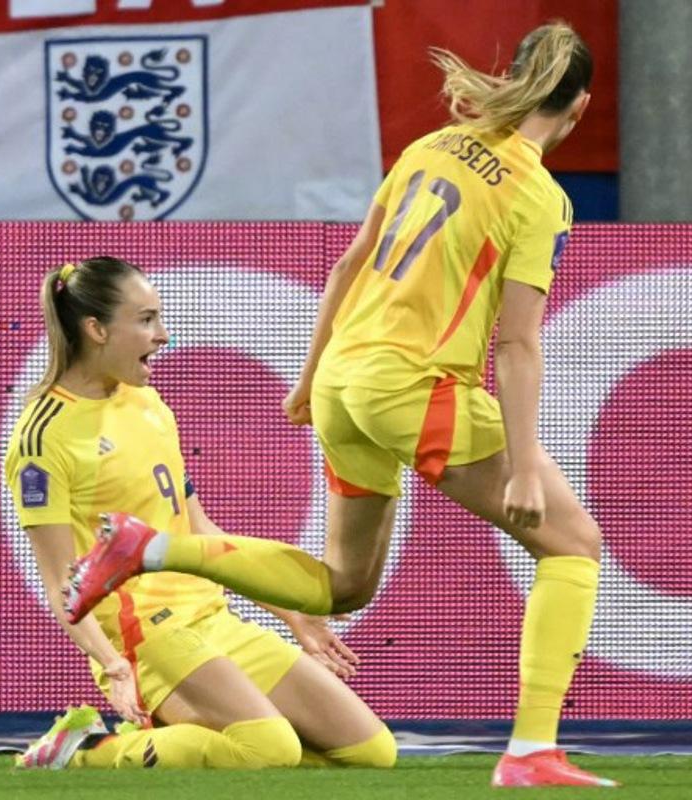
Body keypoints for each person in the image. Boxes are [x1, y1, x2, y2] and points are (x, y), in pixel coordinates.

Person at [66, 22, 618, 787]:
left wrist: (310, 375)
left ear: (509, 77)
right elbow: (517, 344)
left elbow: (350, 266)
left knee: (343, 584)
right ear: (581, 106)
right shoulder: (538, 195)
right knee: (573, 545)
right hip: (415, 389)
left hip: (345, 385)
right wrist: (523, 464)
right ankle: (532, 749)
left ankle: (151, 549)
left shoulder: (431, 149)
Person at [3, 257, 396, 771]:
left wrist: (291, 611)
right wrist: (115, 667)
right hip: (146, 637)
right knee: (268, 749)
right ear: (96, 329)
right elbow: (61, 583)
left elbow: (199, 532)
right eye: (145, 320)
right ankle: (88, 750)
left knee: (370, 753)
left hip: (210, 616)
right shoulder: (42, 437)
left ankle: (187, 730)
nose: (162, 335)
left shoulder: (147, 402)